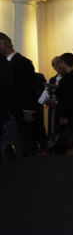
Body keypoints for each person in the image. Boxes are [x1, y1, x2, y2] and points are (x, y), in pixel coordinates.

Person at [0, 32, 37, 160]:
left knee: (21, 144)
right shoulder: (4, 63)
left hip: (17, 111)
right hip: (6, 111)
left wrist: (28, 110)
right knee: (5, 147)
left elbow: (29, 88)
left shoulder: (23, 62)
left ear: (2, 44)